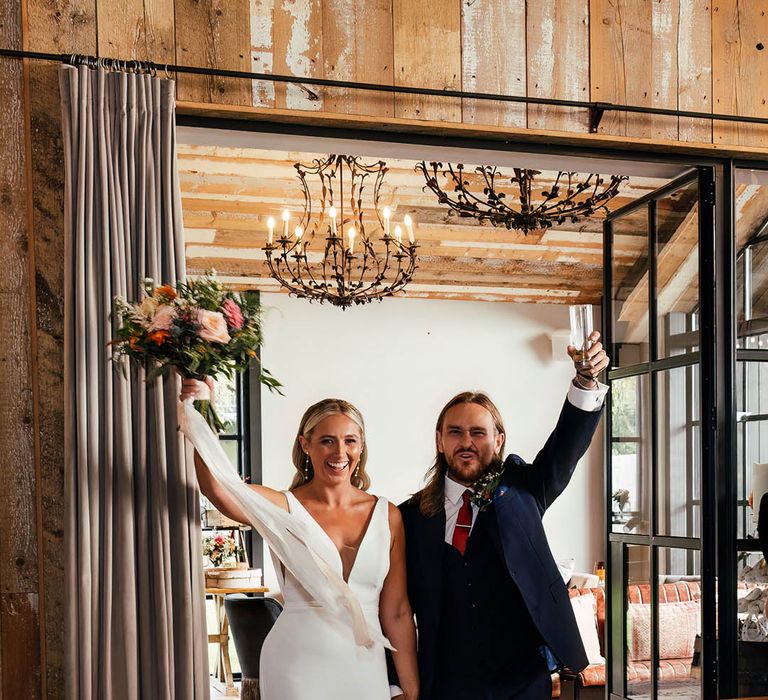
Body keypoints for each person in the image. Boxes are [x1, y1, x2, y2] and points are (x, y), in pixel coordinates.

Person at [389, 331, 609, 700]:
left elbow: (565, 447)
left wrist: (586, 382)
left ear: (499, 440)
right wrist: (397, 682)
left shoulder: (525, 489)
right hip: (444, 682)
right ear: (439, 440)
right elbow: (392, 608)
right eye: (455, 432)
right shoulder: (409, 516)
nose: (467, 442)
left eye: (478, 432)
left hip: (521, 677)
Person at [180, 381, 419, 700]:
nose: (339, 452)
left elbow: (398, 611)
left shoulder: (387, 514)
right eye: (326, 441)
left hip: (365, 667)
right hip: (297, 664)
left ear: (361, 447)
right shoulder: (283, 507)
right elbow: (219, 489)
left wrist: (411, 687)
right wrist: (200, 411)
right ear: (306, 445)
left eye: (350, 441)